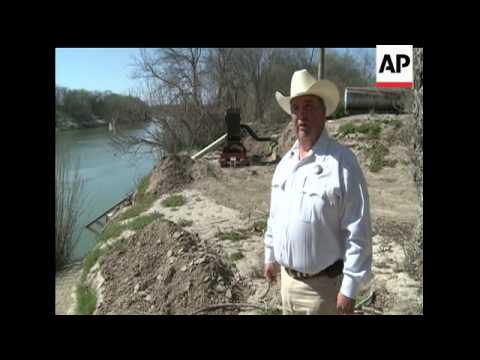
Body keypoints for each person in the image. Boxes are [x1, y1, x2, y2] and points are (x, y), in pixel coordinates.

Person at [264, 69, 372, 315]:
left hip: (323, 292)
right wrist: (269, 256)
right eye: (296, 108)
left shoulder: (342, 163)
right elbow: (274, 216)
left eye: (309, 106)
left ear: (324, 113)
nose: (302, 115)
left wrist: (350, 288)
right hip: (287, 286)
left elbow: (358, 230)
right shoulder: (284, 165)